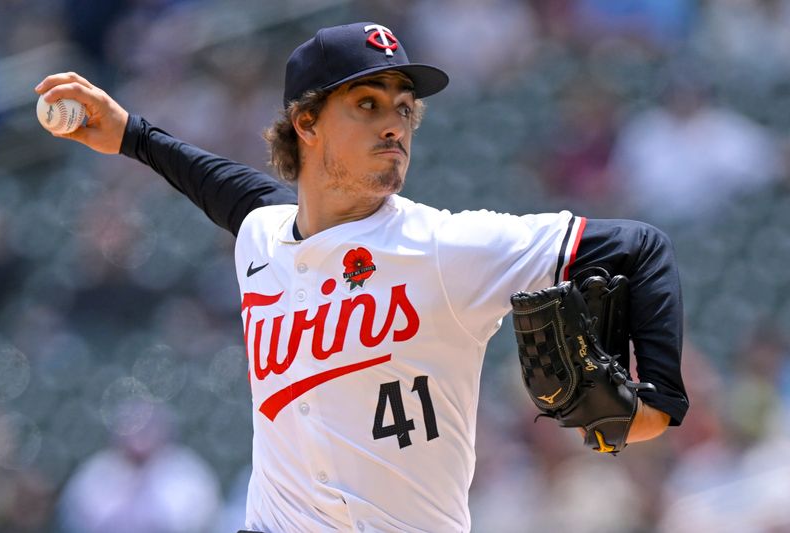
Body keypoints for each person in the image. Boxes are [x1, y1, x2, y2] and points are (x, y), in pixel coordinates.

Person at [35, 21, 688, 533]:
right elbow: (216, 183)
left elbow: (640, 247)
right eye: (368, 103)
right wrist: (131, 134)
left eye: (404, 108)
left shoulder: (445, 246)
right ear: (307, 123)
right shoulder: (264, 233)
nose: (394, 125)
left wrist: (658, 398)